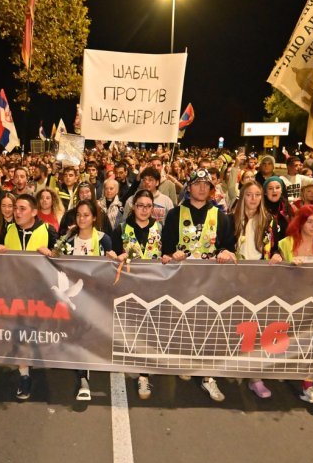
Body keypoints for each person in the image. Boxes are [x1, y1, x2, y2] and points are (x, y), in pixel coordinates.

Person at [161, 169, 236, 402]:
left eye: (206, 184)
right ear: (189, 187)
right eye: (197, 184)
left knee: (210, 326)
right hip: (182, 280)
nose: (202, 188)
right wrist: (171, 256)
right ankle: (186, 360)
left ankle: (207, 376)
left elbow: (228, 247)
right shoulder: (174, 214)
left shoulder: (221, 215)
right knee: (184, 322)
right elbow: (165, 249)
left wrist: (225, 252)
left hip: (211, 281)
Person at [0, 194, 58, 400]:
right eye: (15, 208)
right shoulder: (9, 229)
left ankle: (45, 362)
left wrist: (53, 253)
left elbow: (63, 259)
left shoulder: (48, 231)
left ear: (34, 212)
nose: (17, 212)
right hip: (16, 293)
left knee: (39, 335)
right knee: (20, 334)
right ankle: (24, 375)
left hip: (42, 294)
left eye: (22, 208)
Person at [54, 199, 116, 401]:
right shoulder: (69, 239)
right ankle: (83, 378)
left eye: (86, 215)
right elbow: (55, 262)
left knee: (90, 338)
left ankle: (86, 372)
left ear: (95, 218)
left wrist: (115, 257)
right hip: (75, 299)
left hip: (96, 298)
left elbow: (112, 267)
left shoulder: (104, 239)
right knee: (78, 337)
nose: (81, 218)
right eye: (79, 214)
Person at [232, 180, 283, 398]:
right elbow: (224, 245)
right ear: (242, 197)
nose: (253, 199)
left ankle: (255, 377)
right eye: (249, 195)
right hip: (234, 280)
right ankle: (214, 371)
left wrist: (277, 254)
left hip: (259, 280)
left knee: (254, 326)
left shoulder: (269, 221)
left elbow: (275, 246)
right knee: (232, 325)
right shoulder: (230, 219)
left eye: (257, 195)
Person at [111, 189, 162, 400]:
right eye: (140, 206)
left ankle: (143, 374)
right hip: (126, 289)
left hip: (152, 288)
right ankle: (122, 362)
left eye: (148, 206)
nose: (144, 210)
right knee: (127, 329)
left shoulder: (160, 228)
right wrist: (115, 255)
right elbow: (112, 255)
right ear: (133, 207)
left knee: (148, 332)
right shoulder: (121, 228)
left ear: (153, 208)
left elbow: (166, 254)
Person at [277, 205, 313, 403]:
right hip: (290, 301)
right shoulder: (285, 243)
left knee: (311, 343)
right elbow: (274, 276)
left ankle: (308, 385)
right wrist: (288, 266)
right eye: (310, 221)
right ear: (300, 221)